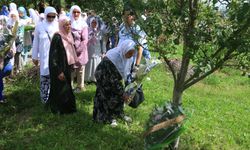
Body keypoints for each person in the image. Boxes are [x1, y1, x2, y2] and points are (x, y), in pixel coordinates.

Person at [93, 39, 136, 127]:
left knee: (118, 95)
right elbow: (113, 81)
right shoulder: (113, 58)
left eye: (132, 53)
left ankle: (118, 113)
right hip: (104, 76)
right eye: (129, 53)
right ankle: (108, 117)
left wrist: (128, 87)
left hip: (114, 78)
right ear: (124, 50)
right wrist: (123, 93)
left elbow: (126, 73)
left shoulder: (127, 57)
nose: (131, 56)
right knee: (106, 95)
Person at [48, 16, 77, 114]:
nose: (68, 26)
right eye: (66, 25)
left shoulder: (69, 35)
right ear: (61, 25)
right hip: (59, 68)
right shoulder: (57, 37)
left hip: (67, 66)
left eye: (69, 24)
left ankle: (69, 109)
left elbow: (71, 51)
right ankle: (59, 110)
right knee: (60, 88)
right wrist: (58, 71)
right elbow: (53, 56)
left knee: (67, 87)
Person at [32, 6, 58, 104]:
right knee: (45, 77)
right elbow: (35, 43)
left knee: (55, 77)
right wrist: (34, 56)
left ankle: (54, 98)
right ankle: (45, 100)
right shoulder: (39, 26)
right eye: (49, 16)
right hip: (44, 57)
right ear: (46, 15)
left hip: (55, 57)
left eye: (53, 16)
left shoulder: (58, 26)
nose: (51, 18)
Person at [69, 5, 88, 92]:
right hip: (69, 52)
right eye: (74, 12)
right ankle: (69, 87)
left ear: (80, 13)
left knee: (80, 70)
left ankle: (80, 87)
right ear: (71, 12)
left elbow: (85, 40)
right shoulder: (68, 23)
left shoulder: (83, 24)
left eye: (78, 12)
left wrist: (78, 50)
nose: (76, 14)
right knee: (71, 70)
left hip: (81, 52)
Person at [85, 17, 106, 82]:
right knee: (90, 63)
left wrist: (104, 52)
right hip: (89, 49)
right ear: (90, 23)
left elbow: (103, 42)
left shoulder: (100, 32)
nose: (94, 23)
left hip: (97, 50)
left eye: (95, 22)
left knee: (97, 63)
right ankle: (87, 78)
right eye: (93, 22)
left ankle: (95, 78)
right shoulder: (87, 30)